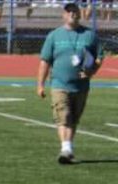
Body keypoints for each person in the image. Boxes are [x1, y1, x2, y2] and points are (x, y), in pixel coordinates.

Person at [37, 2, 101, 164]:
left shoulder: (89, 35)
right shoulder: (54, 35)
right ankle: (65, 148)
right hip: (59, 83)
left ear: (80, 14)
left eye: (75, 11)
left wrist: (91, 71)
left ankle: (68, 148)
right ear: (63, 15)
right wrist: (40, 84)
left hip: (81, 85)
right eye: (69, 11)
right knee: (63, 116)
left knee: (73, 119)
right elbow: (45, 61)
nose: (72, 14)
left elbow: (98, 58)